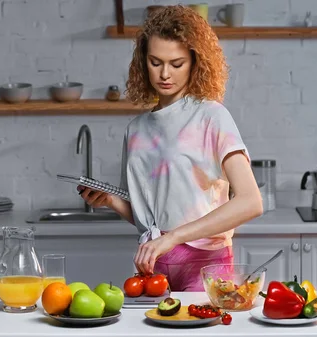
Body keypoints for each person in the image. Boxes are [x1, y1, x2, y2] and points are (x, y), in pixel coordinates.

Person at [77, 5, 263, 291]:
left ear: (194, 62)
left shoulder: (212, 117)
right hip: (153, 263)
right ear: (143, 62)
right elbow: (152, 216)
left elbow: (251, 202)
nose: (165, 73)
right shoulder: (136, 130)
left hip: (206, 263)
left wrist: (173, 237)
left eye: (176, 64)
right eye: (155, 62)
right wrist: (112, 202)